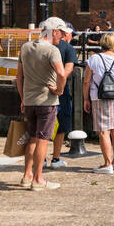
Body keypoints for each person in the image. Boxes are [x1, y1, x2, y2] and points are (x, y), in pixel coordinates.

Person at [16, 17, 68, 189]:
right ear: (53, 31)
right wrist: (59, 90)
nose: (62, 36)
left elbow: (19, 76)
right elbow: (61, 74)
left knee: (31, 138)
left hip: (29, 101)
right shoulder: (52, 50)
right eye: (61, 32)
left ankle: (26, 176)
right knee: (43, 140)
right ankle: (38, 179)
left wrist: (23, 98)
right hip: (46, 101)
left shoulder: (25, 47)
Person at [85, 33, 114, 173]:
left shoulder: (93, 59)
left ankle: (107, 164)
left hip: (99, 98)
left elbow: (86, 81)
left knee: (104, 131)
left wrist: (86, 99)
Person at [49, 23, 77, 169]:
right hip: (61, 92)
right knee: (61, 124)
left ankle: (39, 159)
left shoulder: (37, 47)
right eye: (71, 34)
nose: (72, 37)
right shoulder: (69, 49)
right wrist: (58, 86)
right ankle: (55, 158)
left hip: (40, 90)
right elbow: (67, 70)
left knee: (40, 126)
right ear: (65, 34)